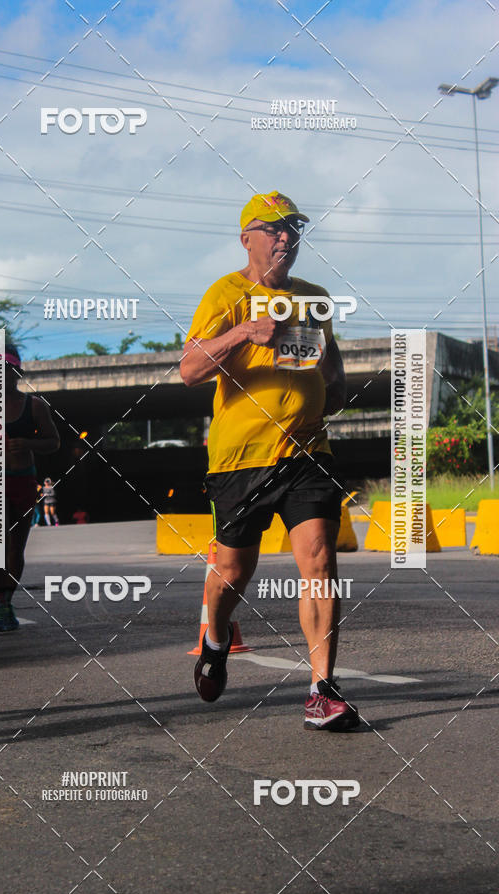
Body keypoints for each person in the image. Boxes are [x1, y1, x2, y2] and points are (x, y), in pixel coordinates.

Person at [180, 191, 359, 731]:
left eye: (294, 228)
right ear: (247, 238)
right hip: (240, 460)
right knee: (233, 572)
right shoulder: (226, 293)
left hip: (308, 452)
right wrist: (243, 333)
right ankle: (215, 635)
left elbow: (336, 380)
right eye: (274, 228)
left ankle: (322, 690)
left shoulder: (314, 298)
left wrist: (322, 359)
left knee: (320, 561)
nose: (286, 237)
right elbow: (189, 369)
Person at [0, 346, 60, 635]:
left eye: (7, 370)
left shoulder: (35, 405)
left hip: (23, 480)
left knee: (15, 545)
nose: (2, 377)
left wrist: (28, 443)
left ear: (17, 372)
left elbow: (54, 442)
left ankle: (4, 602)